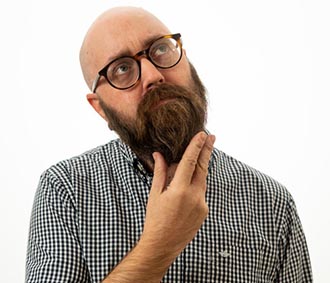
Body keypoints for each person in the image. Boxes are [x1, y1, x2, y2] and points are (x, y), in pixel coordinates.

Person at [25, 6, 313, 283]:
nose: (153, 75)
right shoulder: (65, 190)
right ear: (100, 108)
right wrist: (160, 244)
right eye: (122, 68)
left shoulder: (272, 203)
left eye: (160, 49)